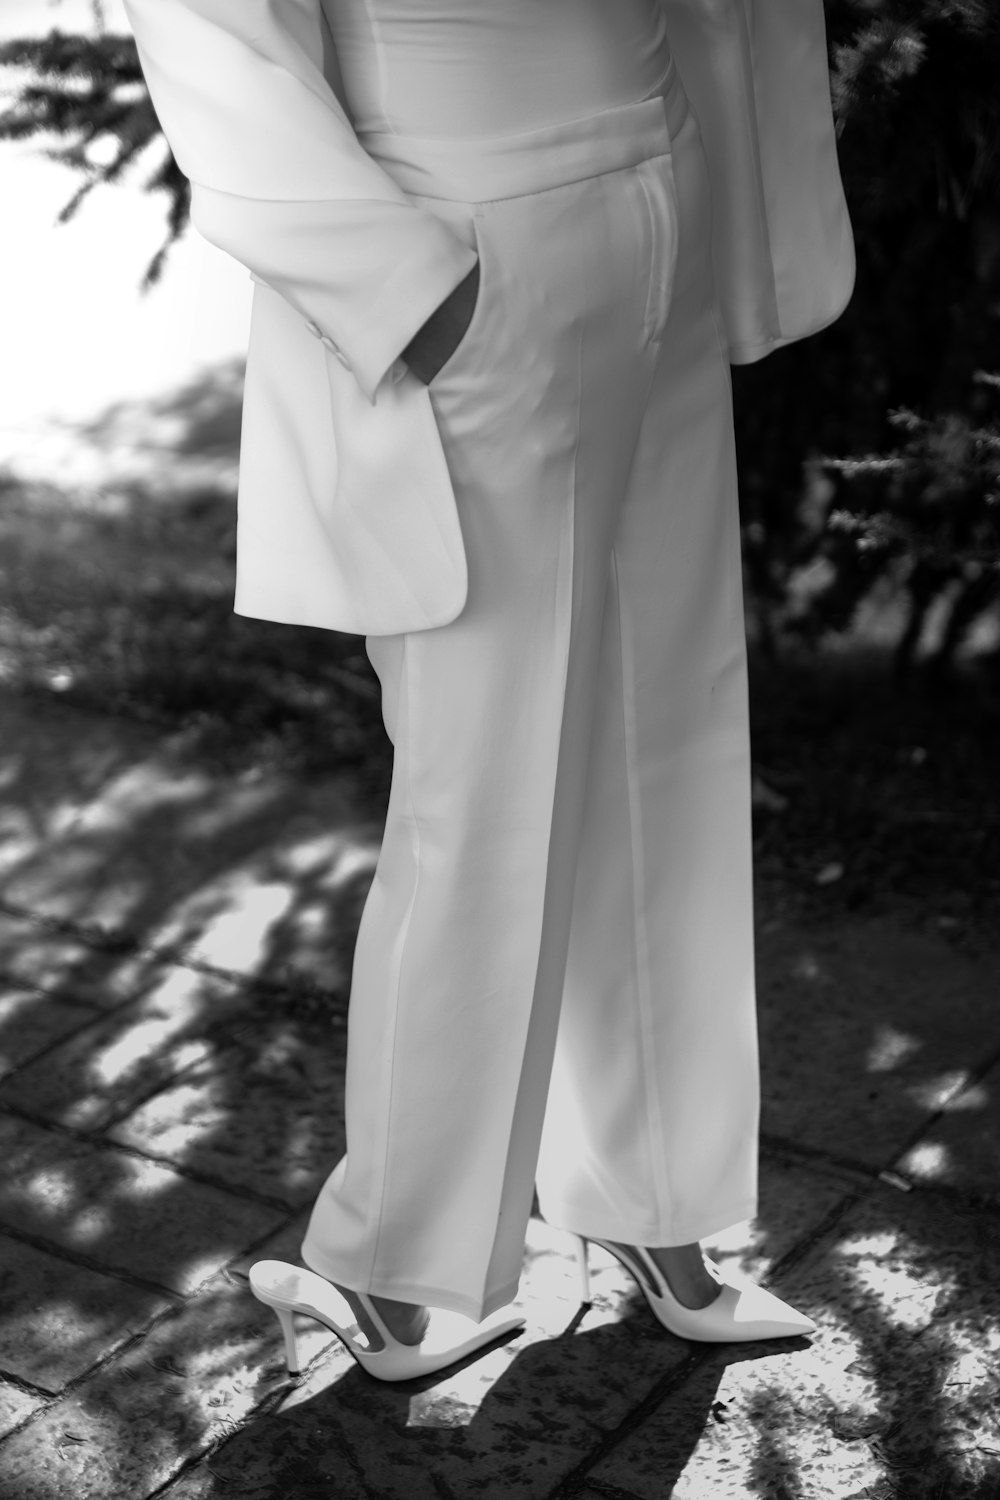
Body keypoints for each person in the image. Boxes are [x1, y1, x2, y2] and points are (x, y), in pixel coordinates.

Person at [122, 0, 855, 1382]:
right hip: (467, 237)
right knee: (483, 781)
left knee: (671, 740)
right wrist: (403, 284)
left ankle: (658, 1209)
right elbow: (205, 20)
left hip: (664, 193)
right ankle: (396, 1266)